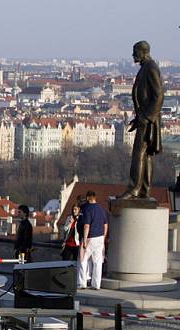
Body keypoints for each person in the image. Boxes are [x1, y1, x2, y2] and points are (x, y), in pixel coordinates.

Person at [119, 41, 164, 200]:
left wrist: (145, 117)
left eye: (135, 52)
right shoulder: (147, 67)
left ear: (143, 52)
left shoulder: (150, 68)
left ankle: (134, 189)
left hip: (148, 119)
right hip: (145, 117)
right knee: (145, 155)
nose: (133, 55)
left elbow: (158, 95)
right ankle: (144, 190)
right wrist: (138, 118)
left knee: (139, 153)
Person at [77, 191, 108, 290]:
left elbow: (86, 225)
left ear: (87, 198)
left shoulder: (87, 209)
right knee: (97, 261)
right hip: (100, 238)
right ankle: (96, 284)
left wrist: (85, 240)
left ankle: (82, 283)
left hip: (90, 237)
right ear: (95, 197)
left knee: (82, 259)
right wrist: (103, 238)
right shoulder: (101, 209)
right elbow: (105, 225)